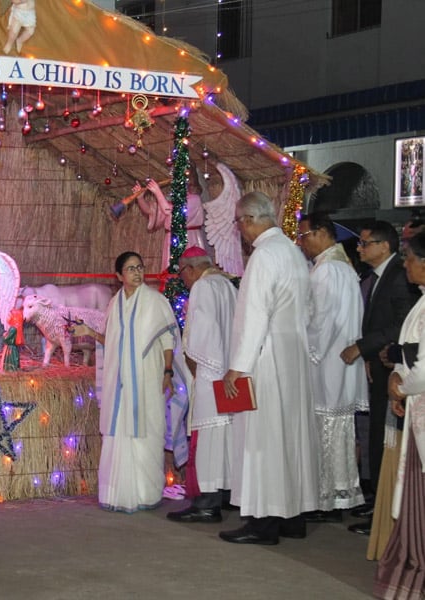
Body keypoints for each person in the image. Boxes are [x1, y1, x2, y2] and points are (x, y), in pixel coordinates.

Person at [219, 191, 319, 545]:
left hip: (267, 357)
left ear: (248, 221)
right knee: (289, 437)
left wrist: (238, 366)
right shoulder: (294, 252)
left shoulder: (263, 256)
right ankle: (292, 517)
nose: (240, 231)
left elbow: (253, 315)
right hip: (293, 354)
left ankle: (263, 522)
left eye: (239, 223)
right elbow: (308, 310)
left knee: (263, 440)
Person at [70, 252, 178, 513]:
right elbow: (112, 342)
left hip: (147, 380)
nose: (137, 273)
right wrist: (88, 332)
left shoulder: (155, 301)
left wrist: (167, 372)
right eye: (130, 269)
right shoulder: (114, 303)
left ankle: (147, 494)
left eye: (140, 267)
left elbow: (167, 340)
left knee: (147, 433)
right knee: (119, 434)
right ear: (119, 276)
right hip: (119, 384)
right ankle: (117, 494)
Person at [340, 221, 419, 537]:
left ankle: (383, 509)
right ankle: (376, 500)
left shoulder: (399, 278)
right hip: (382, 363)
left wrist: (363, 347)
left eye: (365, 243)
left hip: (397, 368)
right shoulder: (378, 276)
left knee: (384, 437)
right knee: (375, 434)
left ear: (384, 246)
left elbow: (400, 326)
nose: (360, 248)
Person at [296, 214, 367, 522]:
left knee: (326, 428)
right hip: (339, 361)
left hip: (325, 362)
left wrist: (302, 348)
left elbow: (320, 322)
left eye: (304, 236)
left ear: (322, 233)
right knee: (337, 430)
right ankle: (339, 495)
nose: (302, 243)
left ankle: (327, 500)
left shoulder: (327, 271)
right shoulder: (342, 268)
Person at [166, 247, 236, 524]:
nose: (182, 279)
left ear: (191, 269)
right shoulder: (228, 286)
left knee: (207, 440)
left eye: (182, 273)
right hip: (229, 375)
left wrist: (195, 365)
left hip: (209, 374)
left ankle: (207, 503)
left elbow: (199, 336)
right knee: (224, 439)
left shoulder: (203, 287)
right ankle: (227, 494)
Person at [376, 230, 425, 599]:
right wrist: (398, 377)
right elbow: (409, 355)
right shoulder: (420, 303)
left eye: (409, 258)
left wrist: (401, 387)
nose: (405, 265)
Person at [135, 170, 208, 271]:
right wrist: (140, 198)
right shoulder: (171, 201)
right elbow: (152, 212)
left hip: (189, 239)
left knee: (189, 268)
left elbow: (172, 213)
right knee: (171, 271)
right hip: (171, 239)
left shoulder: (194, 199)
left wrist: (157, 192)